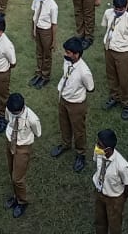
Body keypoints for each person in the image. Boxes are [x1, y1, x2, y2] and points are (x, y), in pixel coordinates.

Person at [50, 36, 94, 172]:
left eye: (68, 52)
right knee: (64, 124)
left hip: (76, 104)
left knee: (78, 131)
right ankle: (65, 144)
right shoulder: (67, 61)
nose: (65, 54)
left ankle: (81, 154)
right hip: (63, 98)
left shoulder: (84, 72)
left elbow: (90, 88)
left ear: (77, 54)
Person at [101, 0, 128, 120]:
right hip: (109, 49)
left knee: (123, 80)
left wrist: (123, 46)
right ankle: (114, 97)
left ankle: (127, 104)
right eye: (116, 9)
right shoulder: (108, 13)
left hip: (123, 52)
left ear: (126, 7)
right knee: (111, 76)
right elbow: (106, 26)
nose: (118, 11)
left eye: (121, 9)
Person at [3, 92, 41, 218]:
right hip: (10, 142)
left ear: (22, 108)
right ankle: (16, 196)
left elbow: (37, 133)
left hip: (23, 147)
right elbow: (8, 119)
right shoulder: (9, 109)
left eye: (16, 113)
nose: (14, 114)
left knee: (17, 178)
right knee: (11, 171)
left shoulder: (32, 119)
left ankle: (22, 201)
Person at [92, 128, 128, 234]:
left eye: (100, 145)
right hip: (99, 192)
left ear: (108, 149)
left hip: (114, 198)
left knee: (114, 225)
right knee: (99, 220)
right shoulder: (99, 152)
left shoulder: (122, 166)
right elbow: (97, 164)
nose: (97, 146)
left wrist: (120, 200)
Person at [29, 0, 58, 88]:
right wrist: (33, 29)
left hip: (46, 31)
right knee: (39, 52)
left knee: (46, 54)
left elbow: (54, 25)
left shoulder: (53, 6)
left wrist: (53, 40)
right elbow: (34, 14)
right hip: (37, 27)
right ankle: (38, 73)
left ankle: (45, 76)